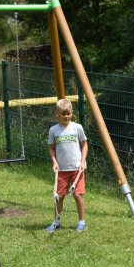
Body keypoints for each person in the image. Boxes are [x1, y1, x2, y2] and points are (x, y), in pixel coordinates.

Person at [44, 98, 88, 233]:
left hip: (77, 169)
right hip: (62, 170)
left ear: (72, 113)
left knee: (77, 195)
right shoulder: (54, 130)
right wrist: (54, 162)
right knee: (59, 196)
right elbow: (51, 147)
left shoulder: (77, 128)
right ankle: (56, 222)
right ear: (57, 114)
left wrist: (82, 162)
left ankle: (81, 222)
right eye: (63, 114)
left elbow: (84, 145)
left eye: (68, 113)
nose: (66, 116)